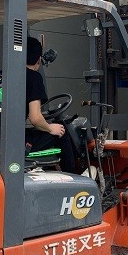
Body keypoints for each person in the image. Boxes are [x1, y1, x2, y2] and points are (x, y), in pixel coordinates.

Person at [24, 37, 76, 172]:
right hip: (17, 141)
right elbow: (35, 118)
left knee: (42, 131)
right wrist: (50, 128)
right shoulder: (33, 77)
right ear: (38, 59)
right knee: (61, 131)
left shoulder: (1, 75)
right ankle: (72, 176)